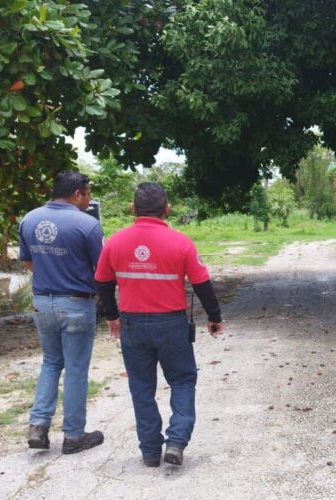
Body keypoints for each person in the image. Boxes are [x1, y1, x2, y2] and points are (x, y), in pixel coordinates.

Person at [94, 182, 224, 467]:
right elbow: (202, 284)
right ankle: (176, 442)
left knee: (141, 388)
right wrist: (214, 317)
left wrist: (111, 315)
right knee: (182, 380)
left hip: (131, 326)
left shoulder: (114, 242)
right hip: (171, 327)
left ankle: (151, 452)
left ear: (132, 209)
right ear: (167, 210)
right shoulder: (181, 243)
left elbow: (102, 283)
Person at [19, 170, 105, 454]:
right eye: (88, 193)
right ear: (77, 193)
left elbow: (28, 262)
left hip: (42, 302)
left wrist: (52, 273)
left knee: (51, 363)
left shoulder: (29, 219)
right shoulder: (87, 224)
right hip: (77, 303)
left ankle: (38, 426)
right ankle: (73, 435)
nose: (89, 199)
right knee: (76, 369)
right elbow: (102, 270)